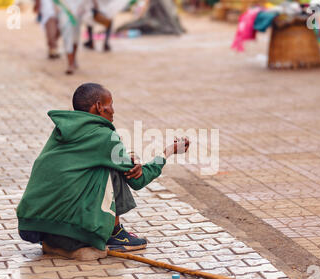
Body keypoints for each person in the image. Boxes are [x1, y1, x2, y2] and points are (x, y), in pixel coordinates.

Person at [17, 83, 190, 260]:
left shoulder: (63, 130)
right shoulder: (104, 136)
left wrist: (129, 156)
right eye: (111, 104)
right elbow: (139, 180)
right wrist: (169, 151)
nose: (113, 110)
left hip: (34, 226)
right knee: (111, 169)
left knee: (109, 164)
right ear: (99, 107)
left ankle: (57, 243)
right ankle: (115, 234)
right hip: (68, 229)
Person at [54, 0, 91, 74]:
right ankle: (70, 64)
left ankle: (73, 59)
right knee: (67, 38)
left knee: (75, 38)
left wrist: (85, 9)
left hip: (78, 12)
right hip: (64, 11)